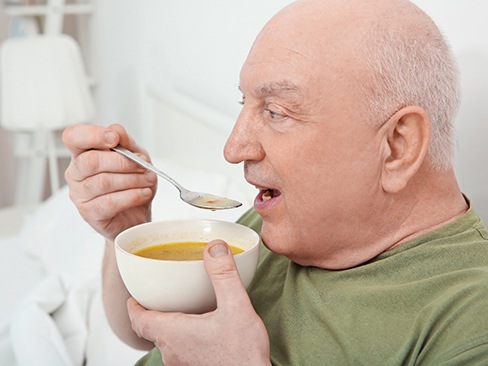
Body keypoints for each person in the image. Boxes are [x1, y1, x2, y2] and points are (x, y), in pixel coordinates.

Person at [62, 0, 488, 364]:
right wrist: (124, 232)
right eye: (245, 104)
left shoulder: (470, 316)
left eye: (276, 112)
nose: (233, 148)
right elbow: (149, 333)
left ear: (398, 145)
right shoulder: (270, 226)